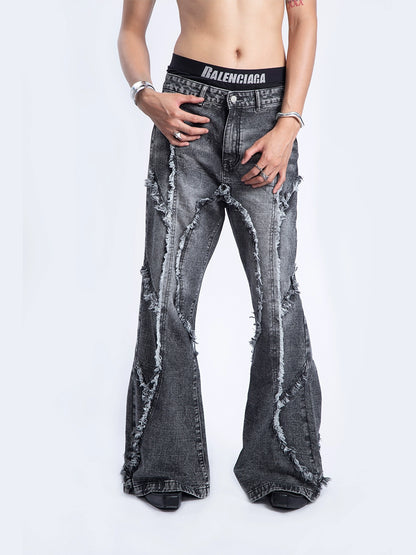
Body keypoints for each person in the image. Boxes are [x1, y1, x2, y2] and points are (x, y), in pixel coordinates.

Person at [117, 0, 331, 511]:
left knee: (276, 297)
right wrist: (146, 96)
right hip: (187, 112)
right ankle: (165, 461)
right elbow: (130, 29)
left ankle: (283, 462)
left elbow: (304, 17)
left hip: (268, 115)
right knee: (167, 291)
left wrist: (289, 124)